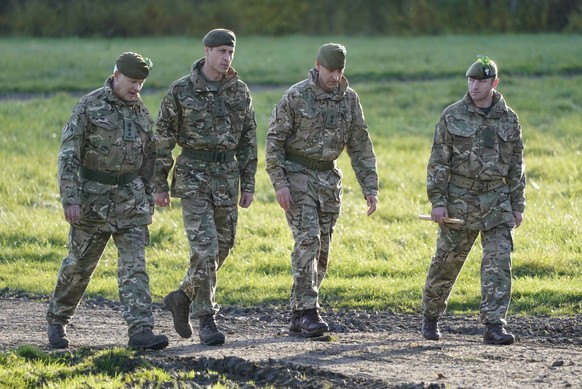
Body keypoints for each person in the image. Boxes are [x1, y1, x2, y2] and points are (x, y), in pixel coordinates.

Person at [47, 52, 169, 351]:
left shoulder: (140, 111)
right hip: (92, 201)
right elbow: (68, 155)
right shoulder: (89, 107)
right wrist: (70, 198)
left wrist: (149, 194)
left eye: (140, 83)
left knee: (134, 268)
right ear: (116, 76)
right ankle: (57, 319)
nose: (136, 89)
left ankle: (141, 330)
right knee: (79, 267)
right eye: (131, 82)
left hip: (131, 202)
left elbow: (149, 157)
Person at [265, 43, 379, 337]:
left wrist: (370, 187)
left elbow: (360, 145)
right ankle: (309, 311)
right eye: (330, 70)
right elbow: (274, 141)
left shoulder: (349, 100)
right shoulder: (295, 96)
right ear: (317, 65)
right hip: (297, 177)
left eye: (340, 70)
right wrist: (280, 183)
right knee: (308, 241)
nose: (334, 76)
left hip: (329, 181)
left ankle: (297, 313)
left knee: (323, 251)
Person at [156, 28, 257, 346]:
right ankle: (206, 319)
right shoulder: (181, 90)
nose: (226, 58)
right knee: (206, 249)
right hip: (194, 177)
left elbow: (249, 139)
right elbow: (163, 138)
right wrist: (159, 181)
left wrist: (249, 182)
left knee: (223, 247)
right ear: (207, 52)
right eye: (221, 51)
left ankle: (182, 296)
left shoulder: (239, 91)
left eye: (231, 52)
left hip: (227, 177)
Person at [421, 55, 526, 345]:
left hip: (497, 201)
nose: (474, 85)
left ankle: (494, 325)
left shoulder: (509, 118)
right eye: (471, 80)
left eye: (481, 81)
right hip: (459, 200)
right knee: (447, 263)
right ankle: (431, 316)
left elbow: (517, 165)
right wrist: (437, 201)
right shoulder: (452, 116)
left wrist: (518, 205)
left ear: (494, 83)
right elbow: (438, 162)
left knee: (498, 262)